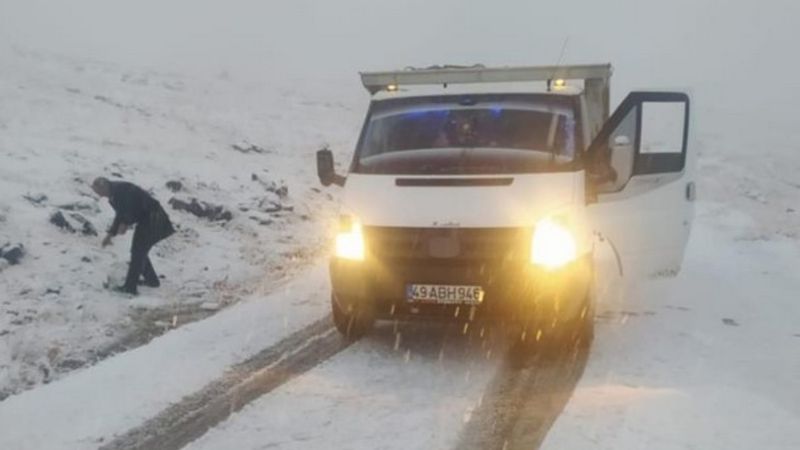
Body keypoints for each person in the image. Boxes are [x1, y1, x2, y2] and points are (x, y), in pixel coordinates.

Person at [91, 177, 175, 295]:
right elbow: (120, 214)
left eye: (98, 191)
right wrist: (110, 234)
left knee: (138, 251)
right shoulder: (114, 194)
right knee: (139, 251)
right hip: (148, 219)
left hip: (154, 217)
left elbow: (131, 207)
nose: (98, 195)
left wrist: (125, 223)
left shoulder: (121, 189)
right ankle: (151, 281)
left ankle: (130, 288)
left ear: (103, 186)